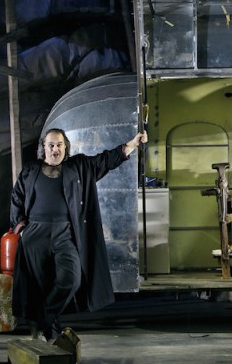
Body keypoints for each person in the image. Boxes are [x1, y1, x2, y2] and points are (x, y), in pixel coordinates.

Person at [10, 128, 147, 341]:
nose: (55, 149)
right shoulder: (30, 170)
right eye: (51, 145)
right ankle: (52, 336)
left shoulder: (79, 166)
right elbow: (16, 197)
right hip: (35, 235)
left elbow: (106, 160)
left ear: (66, 147)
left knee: (70, 279)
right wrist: (21, 228)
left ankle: (43, 318)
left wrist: (132, 144)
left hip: (65, 233)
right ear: (43, 147)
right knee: (41, 286)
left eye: (59, 145)